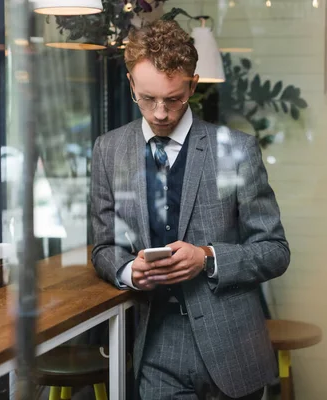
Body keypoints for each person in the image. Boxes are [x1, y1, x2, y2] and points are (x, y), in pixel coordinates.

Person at [90, 19, 290, 400]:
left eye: (174, 98)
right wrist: (130, 270)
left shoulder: (237, 149)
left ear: (193, 85)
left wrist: (208, 259)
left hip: (234, 345)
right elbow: (103, 247)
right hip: (156, 344)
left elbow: (275, 252)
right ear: (131, 83)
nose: (161, 113)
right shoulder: (108, 150)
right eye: (148, 98)